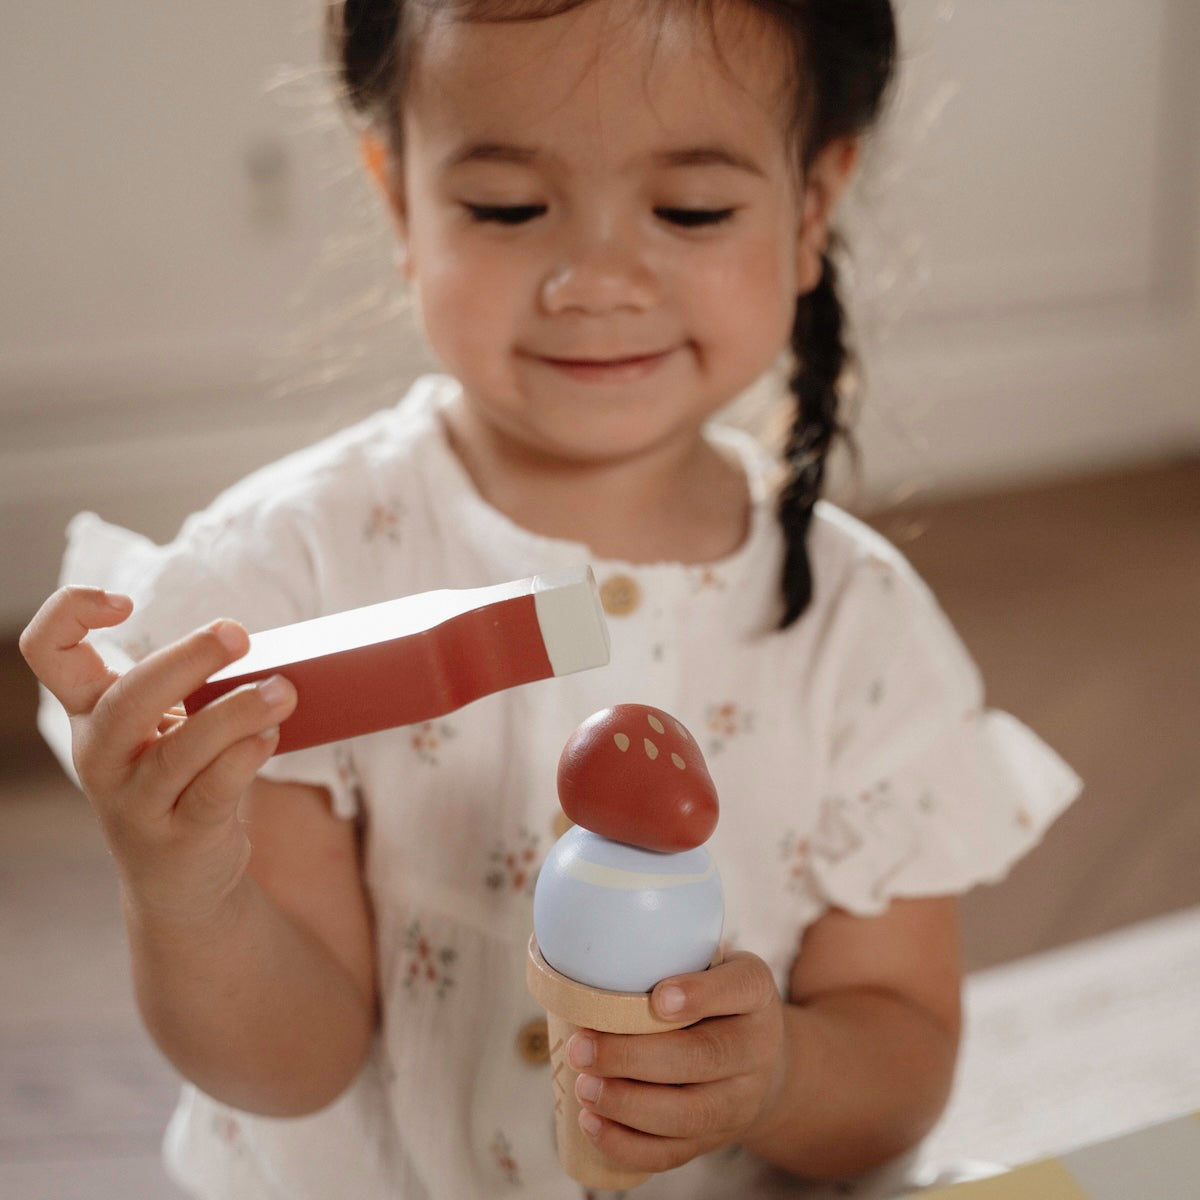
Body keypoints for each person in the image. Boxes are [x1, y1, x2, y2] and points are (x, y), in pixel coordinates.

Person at [20, 2, 1081, 1197]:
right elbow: (288, 1066)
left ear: (813, 206)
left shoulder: (860, 633)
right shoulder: (282, 581)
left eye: (690, 210)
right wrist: (186, 894)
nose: (595, 281)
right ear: (399, 198)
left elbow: (898, 1063)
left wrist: (778, 1075)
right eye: (508, 208)